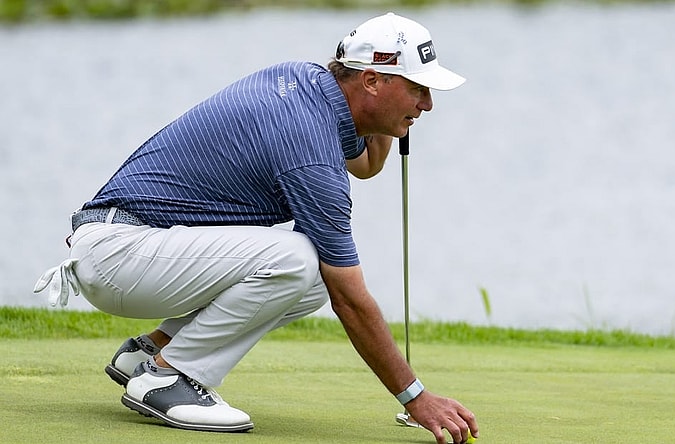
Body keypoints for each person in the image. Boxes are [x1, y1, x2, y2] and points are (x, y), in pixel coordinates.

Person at [33, 11, 477, 444]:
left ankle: (150, 353)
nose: (428, 104)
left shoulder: (308, 84)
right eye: (417, 89)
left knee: (312, 280)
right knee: (301, 260)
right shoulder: (309, 145)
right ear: (373, 81)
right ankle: (168, 377)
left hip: (129, 246)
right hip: (121, 254)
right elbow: (350, 299)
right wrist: (416, 397)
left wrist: (390, 120)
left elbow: (365, 165)